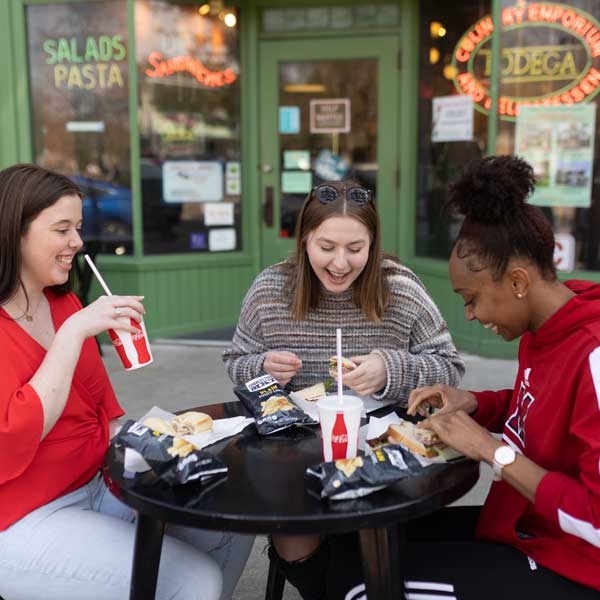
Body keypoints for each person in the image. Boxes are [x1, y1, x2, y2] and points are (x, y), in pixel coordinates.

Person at [287, 155, 600, 600]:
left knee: (358, 586)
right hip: (525, 524)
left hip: (574, 565)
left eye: (471, 299)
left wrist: (492, 451)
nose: (470, 315)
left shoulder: (592, 352)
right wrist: (476, 403)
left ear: (517, 283)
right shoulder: (545, 327)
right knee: (355, 542)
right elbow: (546, 406)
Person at [0, 164, 252, 600]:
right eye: (62, 229)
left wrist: (176, 443)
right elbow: (13, 438)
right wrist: (73, 334)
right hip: (23, 516)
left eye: (77, 228)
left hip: (101, 482)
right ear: (13, 232)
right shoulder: (67, 321)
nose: (76, 242)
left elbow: (107, 413)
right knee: (193, 580)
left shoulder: (63, 303)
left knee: (231, 520)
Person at [223, 178, 464, 585]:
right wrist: (261, 365)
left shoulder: (400, 288)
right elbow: (235, 361)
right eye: (326, 247)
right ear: (304, 241)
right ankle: (329, 586)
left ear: (372, 244)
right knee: (294, 531)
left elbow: (450, 369)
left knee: (391, 535)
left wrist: (392, 369)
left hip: (385, 452)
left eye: (355, 250)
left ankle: (362, 580)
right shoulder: (270, 289)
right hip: (295, 451)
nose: (340, 264)